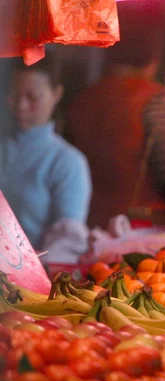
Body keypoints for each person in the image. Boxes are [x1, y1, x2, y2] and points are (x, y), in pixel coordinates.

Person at [67, 3, 165, 229]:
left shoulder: (84, 98)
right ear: (155, 52)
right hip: (137, 227)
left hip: (88, 221)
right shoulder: (154, 99)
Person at [0, 53, 91, 251]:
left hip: (36, 274)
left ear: (56, 94)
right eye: (15, 95)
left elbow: (67, 243)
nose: (21, 105)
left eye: (32, 97)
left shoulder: (67, 163)